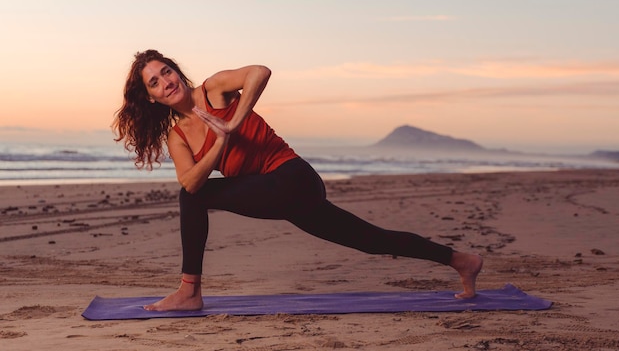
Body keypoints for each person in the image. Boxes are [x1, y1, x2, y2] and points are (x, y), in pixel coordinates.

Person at [113, 49, 483, 312]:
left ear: (177, 71)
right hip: (270, 193)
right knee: (370, 240)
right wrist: (220, 142)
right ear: (152, 98)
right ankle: (461, 261)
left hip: (293, 180)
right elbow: (191, 181)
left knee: (192, 197)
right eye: (155, 82)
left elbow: (260, 71)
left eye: (166, 72)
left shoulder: (213, 89)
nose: (166, 82)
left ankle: (189, 291)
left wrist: (234, 122)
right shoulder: (178, 137)